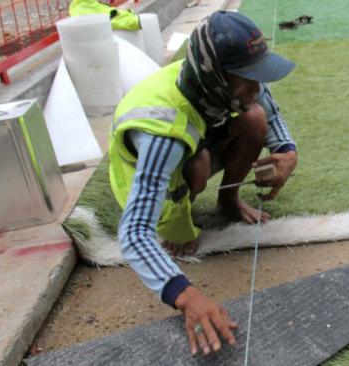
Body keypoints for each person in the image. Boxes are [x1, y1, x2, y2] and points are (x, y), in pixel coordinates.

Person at [107, 11, 298, 356]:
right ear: (215, 78)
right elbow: (134, 233)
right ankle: (178, 222)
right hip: (153, 179)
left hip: (192, 144)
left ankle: (228, 201)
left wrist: (286, 152)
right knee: (197, 166)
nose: (257, 86)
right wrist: (185, 295)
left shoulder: (222, 82)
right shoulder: (162, 133)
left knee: (252, 116)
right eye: (248, 78)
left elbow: (267, 107)